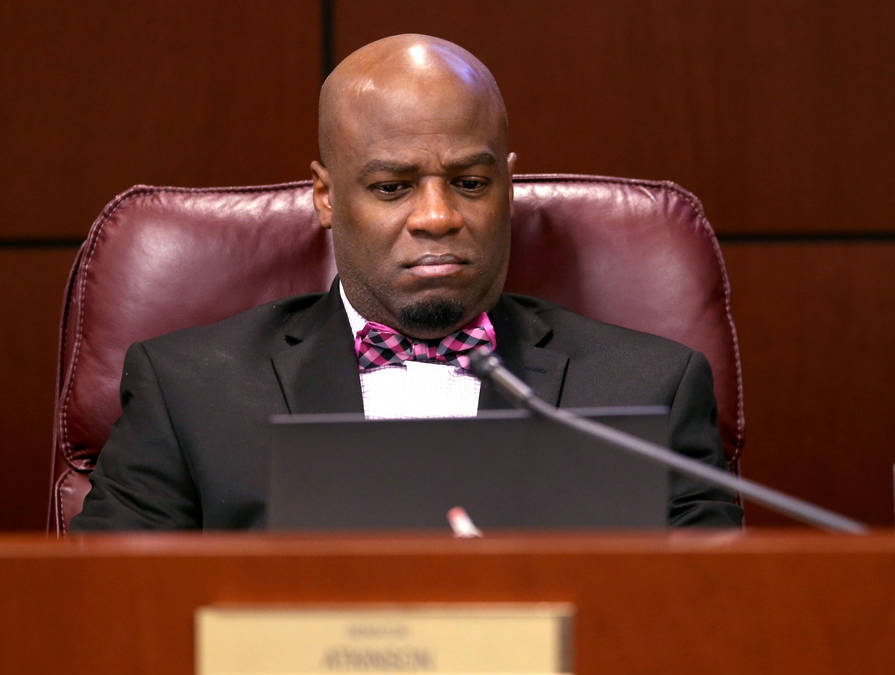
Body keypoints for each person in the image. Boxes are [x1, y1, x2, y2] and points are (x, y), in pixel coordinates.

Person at [71, 34, 742, 531]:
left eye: (470, 184)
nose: (438, 216)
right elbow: (113, 620)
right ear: (327, 196)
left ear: (508, 186)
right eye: (392, 187)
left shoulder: (651, 389)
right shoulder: (189, 391)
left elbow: (708, 624)